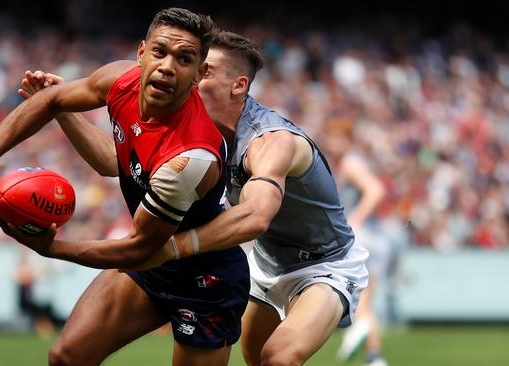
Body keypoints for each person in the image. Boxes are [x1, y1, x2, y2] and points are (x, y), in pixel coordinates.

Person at [23, 31, 369, 366]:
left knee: (277, 358)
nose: (193, 77)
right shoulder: (194, 126)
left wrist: (171, 247)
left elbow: (255, 216)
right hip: (266, 261)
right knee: (254, 359)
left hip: (324, 265)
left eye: (207, 71)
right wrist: (61, 110)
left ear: (238, 85)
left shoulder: (272, 141)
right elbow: (113, 162)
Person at [0, 8, 249, 366]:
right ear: (141, 53)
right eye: (160, 52)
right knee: (67, 358)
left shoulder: (190, 158)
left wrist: (52, 248)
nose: (167, 66)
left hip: (205, 280)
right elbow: (58, 105)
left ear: (198, 74)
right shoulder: (122, 79)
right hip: (152, 264)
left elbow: (138, 249)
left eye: (184, 59)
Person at [322, 121, 391, 366]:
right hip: (374, 238)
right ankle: (375, 358)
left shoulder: (351, 162)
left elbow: (375, 190)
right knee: (365, 304)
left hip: (363, 238)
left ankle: (356, 331)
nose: (331, 144)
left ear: (347, 140)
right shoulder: (350, 162)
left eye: (336, 138)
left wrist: (354, 222)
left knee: (357, 302)